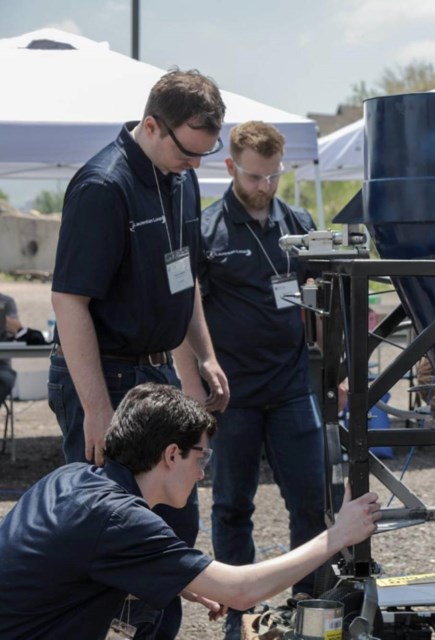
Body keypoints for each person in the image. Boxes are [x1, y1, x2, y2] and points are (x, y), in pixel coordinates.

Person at [48, 69, 231, 639]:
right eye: (188, 151)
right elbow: (69, 301)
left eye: (205, 154)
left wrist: (202, 354)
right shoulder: (104, 185)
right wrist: (99, 412)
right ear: (152, 125)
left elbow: (184, 278)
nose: (196, 165)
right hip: (103, 375)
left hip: (153, 373)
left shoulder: (180, 178)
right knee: (116, 534)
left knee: (176, 523)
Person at [0, 383, 380, 640]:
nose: (202, 472)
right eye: (201, 456)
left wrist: (179, 579)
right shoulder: (119, 517)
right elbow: (242, 591)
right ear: (170, 454)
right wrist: (340, 534)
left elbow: (64, 567)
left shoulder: (72, 479)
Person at [174, 121, 325, 639]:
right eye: (256, 176)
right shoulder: (205, 229)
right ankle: (240, 615)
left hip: (289, 389)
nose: (265, 187)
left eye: (274, 176)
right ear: (231, 167)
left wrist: (340, 372)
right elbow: (182, 310)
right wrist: (194, 385)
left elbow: (318, 301)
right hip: (229, 396)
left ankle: (312, 609)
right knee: (233, 504)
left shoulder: (298, 224)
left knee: (310, 500)